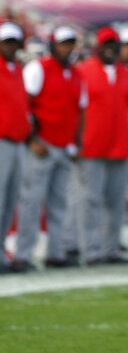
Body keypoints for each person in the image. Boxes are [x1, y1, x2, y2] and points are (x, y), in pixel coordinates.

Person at [76, 26, 128, 265]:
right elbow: (76, 109)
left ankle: (111, 248)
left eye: (113, 45)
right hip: (92, 146)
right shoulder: (83, 71)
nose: (110, 49)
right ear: (98, 47)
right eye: (106, 45)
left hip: (120, 146)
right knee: (90, 200)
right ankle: (91, 250)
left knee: (116, 202)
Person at [12, 27, 84, 271]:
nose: (67, 48)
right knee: (31, 202)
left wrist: (76, 142)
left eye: (71, 44)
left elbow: (80, 111)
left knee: (60, 203)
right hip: (42, 145)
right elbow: (25, 104)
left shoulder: (75, 74)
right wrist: (32, 139)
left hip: (65, 146)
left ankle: (56, 252)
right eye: (64, 44)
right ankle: (22, 254)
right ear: (53, 45)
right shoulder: (38, 68)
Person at [0, 22, 30, 273]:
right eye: (6, 42)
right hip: (1, 142)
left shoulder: (18, 69)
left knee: (10, 203)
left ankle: (1, 254)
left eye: (14, 42)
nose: (11, 47)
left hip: (18, 143)